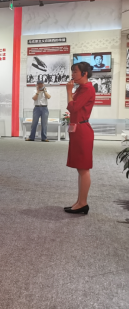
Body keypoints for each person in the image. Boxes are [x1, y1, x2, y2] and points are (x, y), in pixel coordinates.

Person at [64, 62, 96, 215]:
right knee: (80, 168)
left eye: (75, 71)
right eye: (72, 71)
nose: (73, 74)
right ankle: (79, 202)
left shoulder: (88, 89)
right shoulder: (81, 88)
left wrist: (68, 91)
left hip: (82, 131)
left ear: (85, 73)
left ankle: (83, 203)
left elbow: (73, 108)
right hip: (77, 130)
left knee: (83, 168)